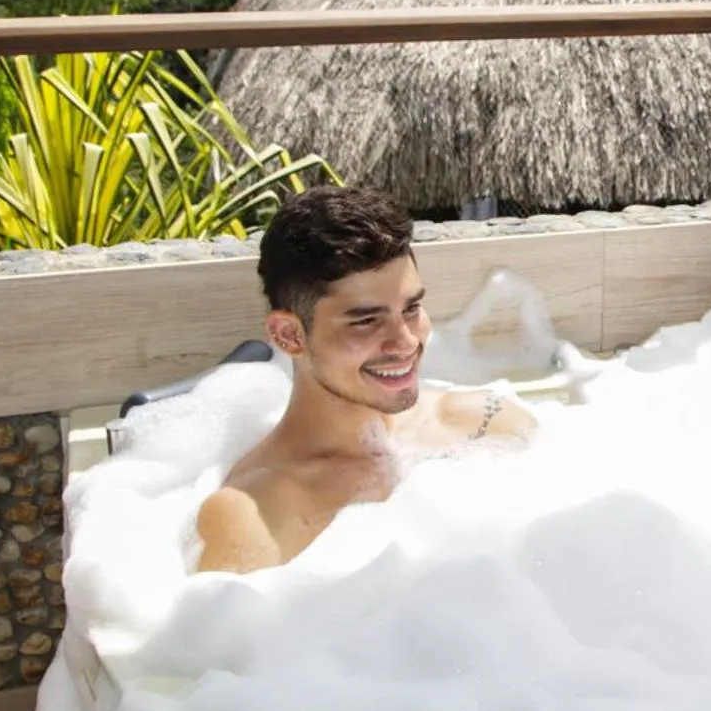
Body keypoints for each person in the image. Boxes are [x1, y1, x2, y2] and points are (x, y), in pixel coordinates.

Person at [195, 186, 535, 573]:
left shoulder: (486, 422)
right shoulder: (259, 514)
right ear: (289, 336)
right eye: (366, 321)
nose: (406, 343)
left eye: (411, 309)